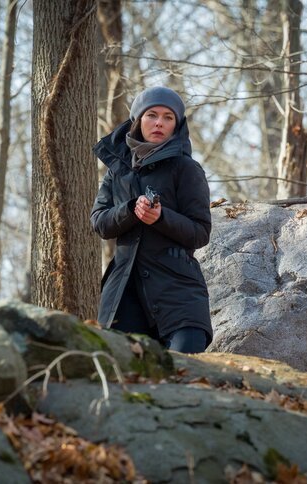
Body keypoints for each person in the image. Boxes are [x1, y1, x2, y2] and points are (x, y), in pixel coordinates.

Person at [91, 86, 212, 353]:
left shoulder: (187, 169)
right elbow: (99, 222)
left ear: (176, 125)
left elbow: (200, 232)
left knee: (185, 377)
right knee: (123, 380)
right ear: (137, 121)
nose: (159, 122)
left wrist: (160, 217)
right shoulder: (116, 172)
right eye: (152, 115)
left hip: (180, 295)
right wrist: (131, 209)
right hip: (124, 295)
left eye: (168, 117)